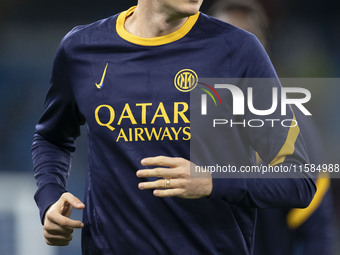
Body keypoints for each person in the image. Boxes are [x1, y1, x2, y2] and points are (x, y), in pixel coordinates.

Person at [32, 0, 316, 254]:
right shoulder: (82, 48)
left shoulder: (237, 50)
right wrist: (49, 199)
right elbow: (52, 137)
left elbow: (299, 178)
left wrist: (213, 181)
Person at [208, 0, 335, 254]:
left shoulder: (295, 127)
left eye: (248, 42)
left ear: (263, 50)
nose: (236, 53)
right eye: (223, 41)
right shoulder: (178, 119)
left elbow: (315, 230)